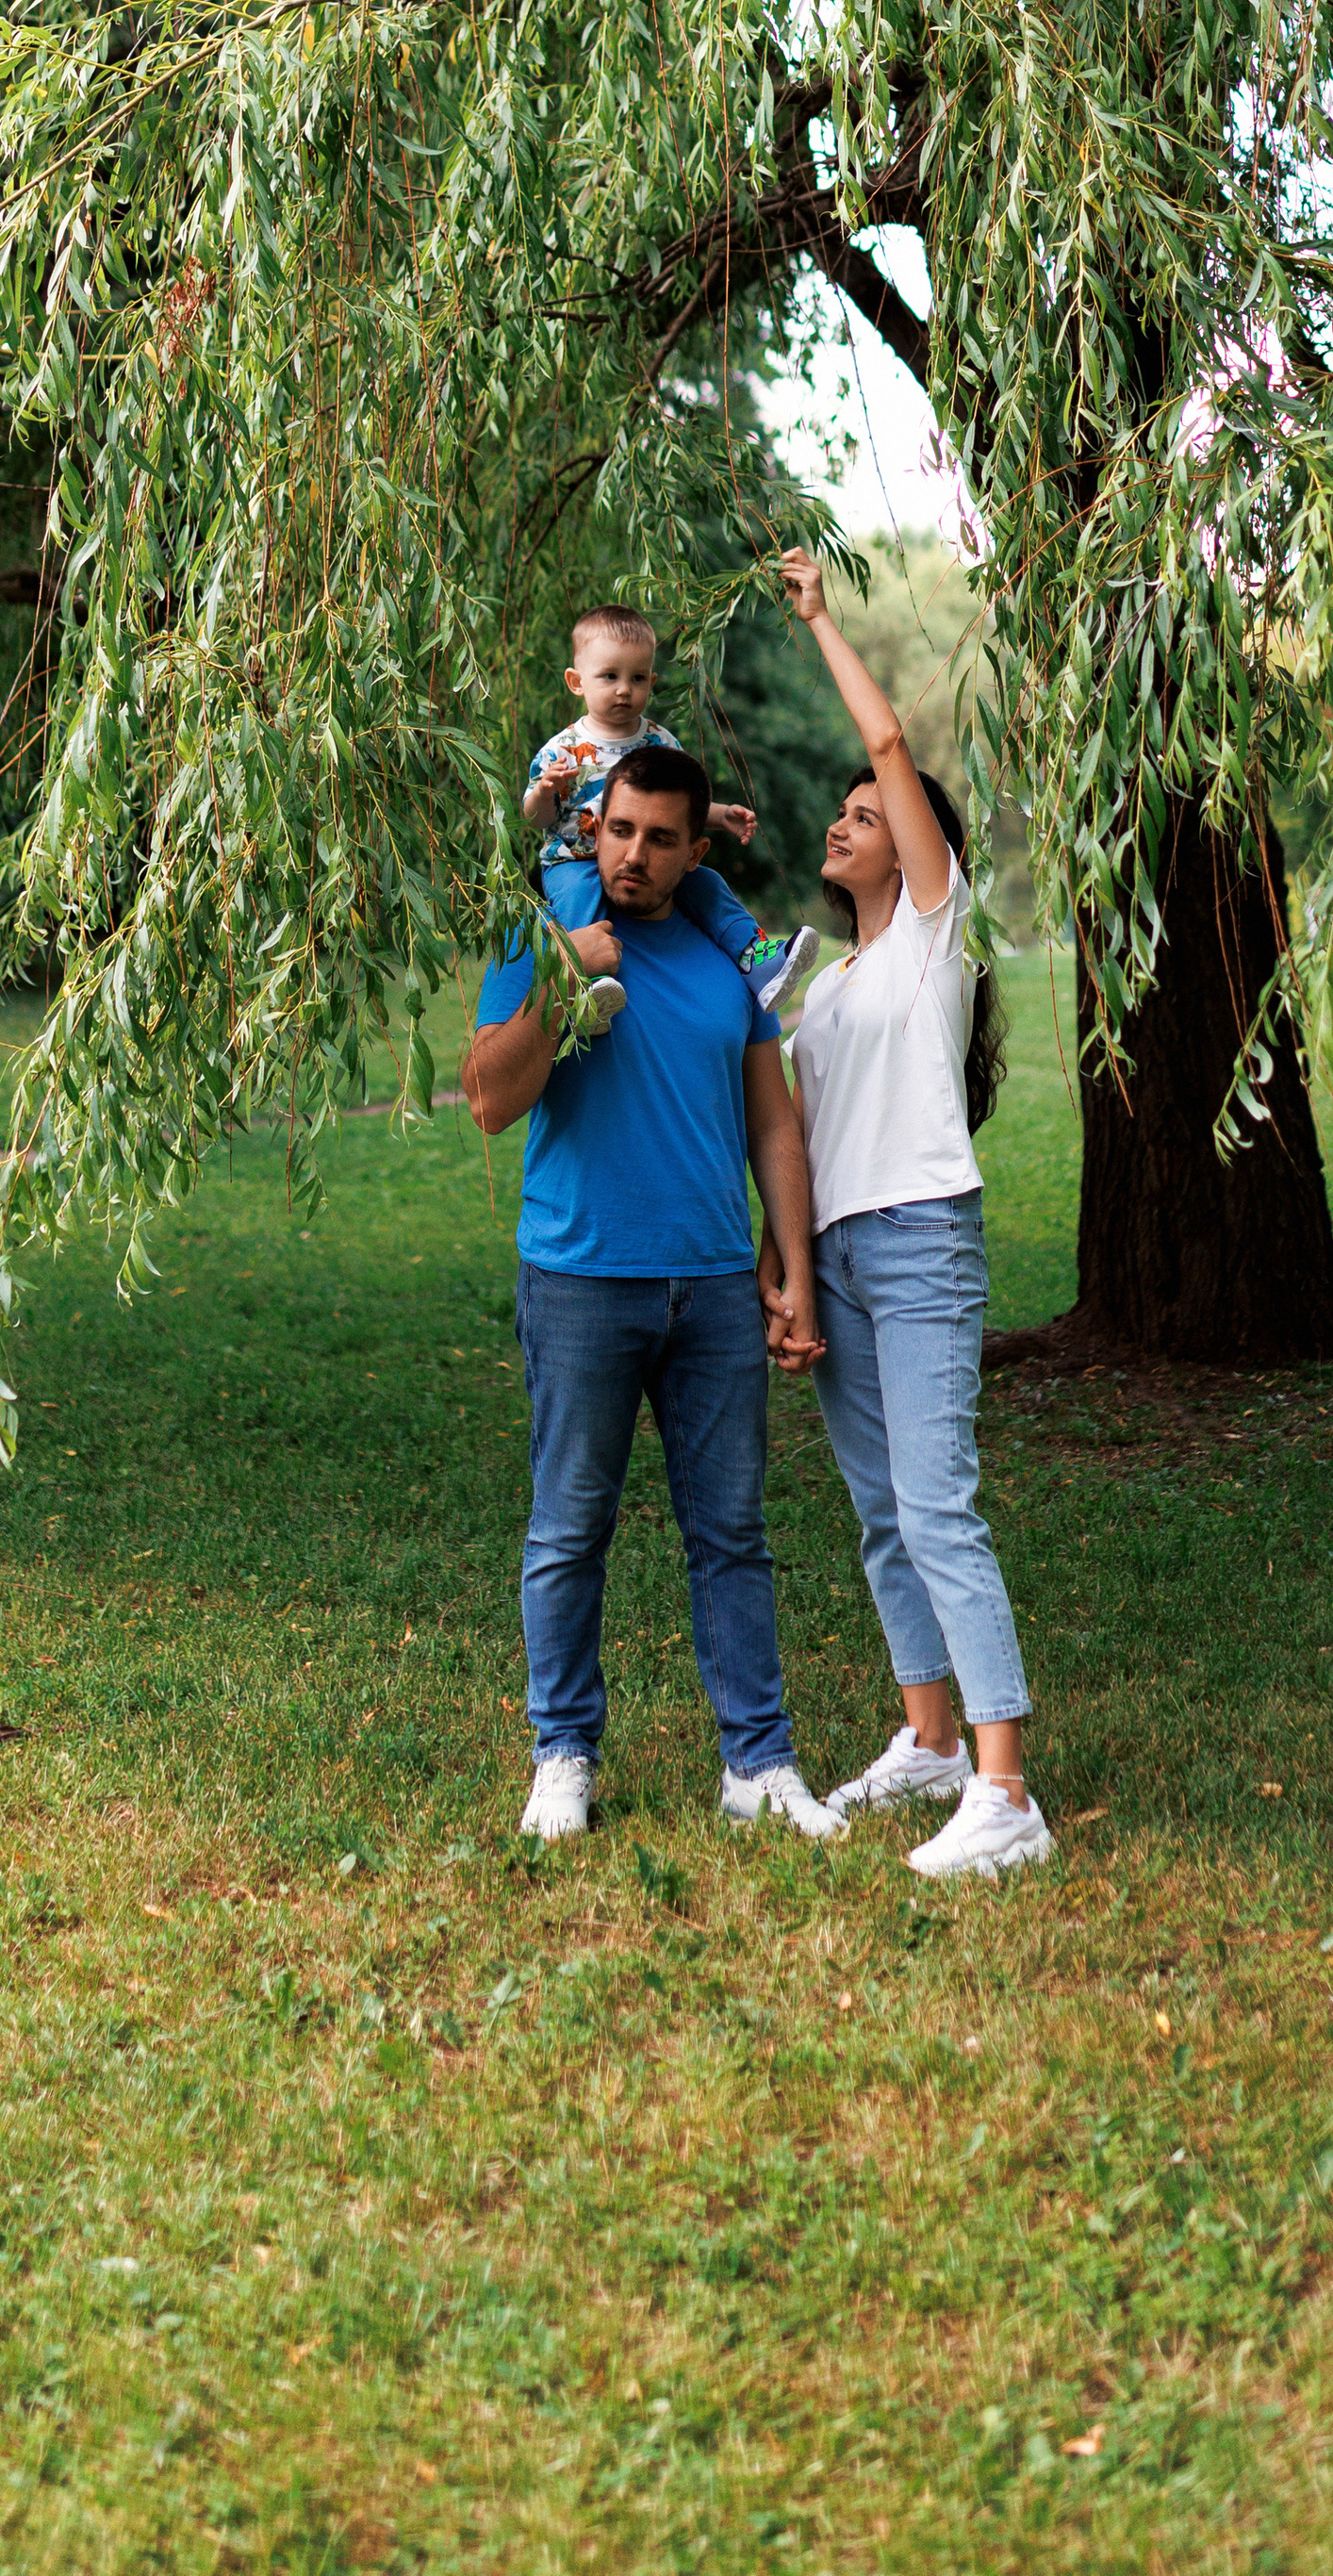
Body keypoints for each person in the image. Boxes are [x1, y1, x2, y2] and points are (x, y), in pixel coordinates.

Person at [465, 740, 847, 1847]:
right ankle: (562, 1757)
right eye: (619, 830)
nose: (633, 854)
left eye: (660, 839)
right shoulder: (544, 933)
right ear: (593, 827)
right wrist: (563, 981)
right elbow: (489, 1101)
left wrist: (793, 1271)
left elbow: (771, 1120)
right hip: (582, 1281)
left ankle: (758, 1765)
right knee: (567, 1529)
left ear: (693, 849)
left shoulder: (734, 967)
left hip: (716, 1288)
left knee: (730, 1533)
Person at [759, 549, 1053, 1880]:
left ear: (907, 835)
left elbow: (886, 735)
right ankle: (927, 1737)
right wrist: (789, 1279)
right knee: (881, 1510)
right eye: (840, 812)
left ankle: (1005, 1794)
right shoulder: (823, 987)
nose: (845, 819)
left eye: (864, 811)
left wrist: (821, 619)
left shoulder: (935, 932)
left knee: (938, 1504)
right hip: (837, 1251)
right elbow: (792, 1147)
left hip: (923, 1239)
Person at [523, 603, 816, 1038]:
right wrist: (545, 792)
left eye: (637, 678)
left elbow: (679, 808)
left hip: (642, 855)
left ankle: (757, 959)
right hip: (575, 859)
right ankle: (583, 992)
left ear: (652, 682)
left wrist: (720, 817)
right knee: (578, 908)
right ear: (576, 682)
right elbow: (537, 819)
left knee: (708, 885)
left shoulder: (660, 742)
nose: (624, 690)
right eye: (609, 677)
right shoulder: (561, 750)